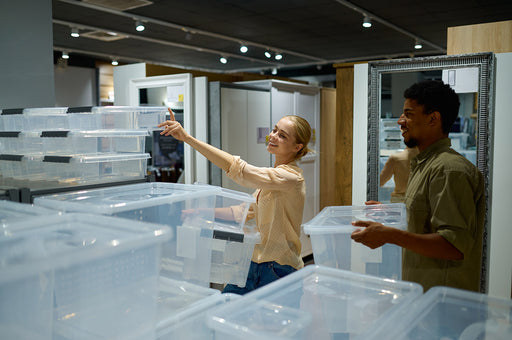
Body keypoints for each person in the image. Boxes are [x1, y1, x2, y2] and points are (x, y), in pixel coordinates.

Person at [158, 109, 312, 294]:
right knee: (226, 310)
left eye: (283, 136)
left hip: (279, 268)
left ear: (297, 147)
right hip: (253, 262)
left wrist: (188, 138)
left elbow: (240, 170)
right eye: (274, 130)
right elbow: (244, 212)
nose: (273, 136)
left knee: (274, 322)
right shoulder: (273, 178)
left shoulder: (291, 178)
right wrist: (201, 212)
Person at [351, 80, 485, 292]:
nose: (400, 121)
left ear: (433, 118)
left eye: (408, 114)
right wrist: (393, 213)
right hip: (423, 290)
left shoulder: (449, 170)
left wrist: (388, 235)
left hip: (442, 301)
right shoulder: (425, 164)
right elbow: (426, 219)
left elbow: (453, 245)